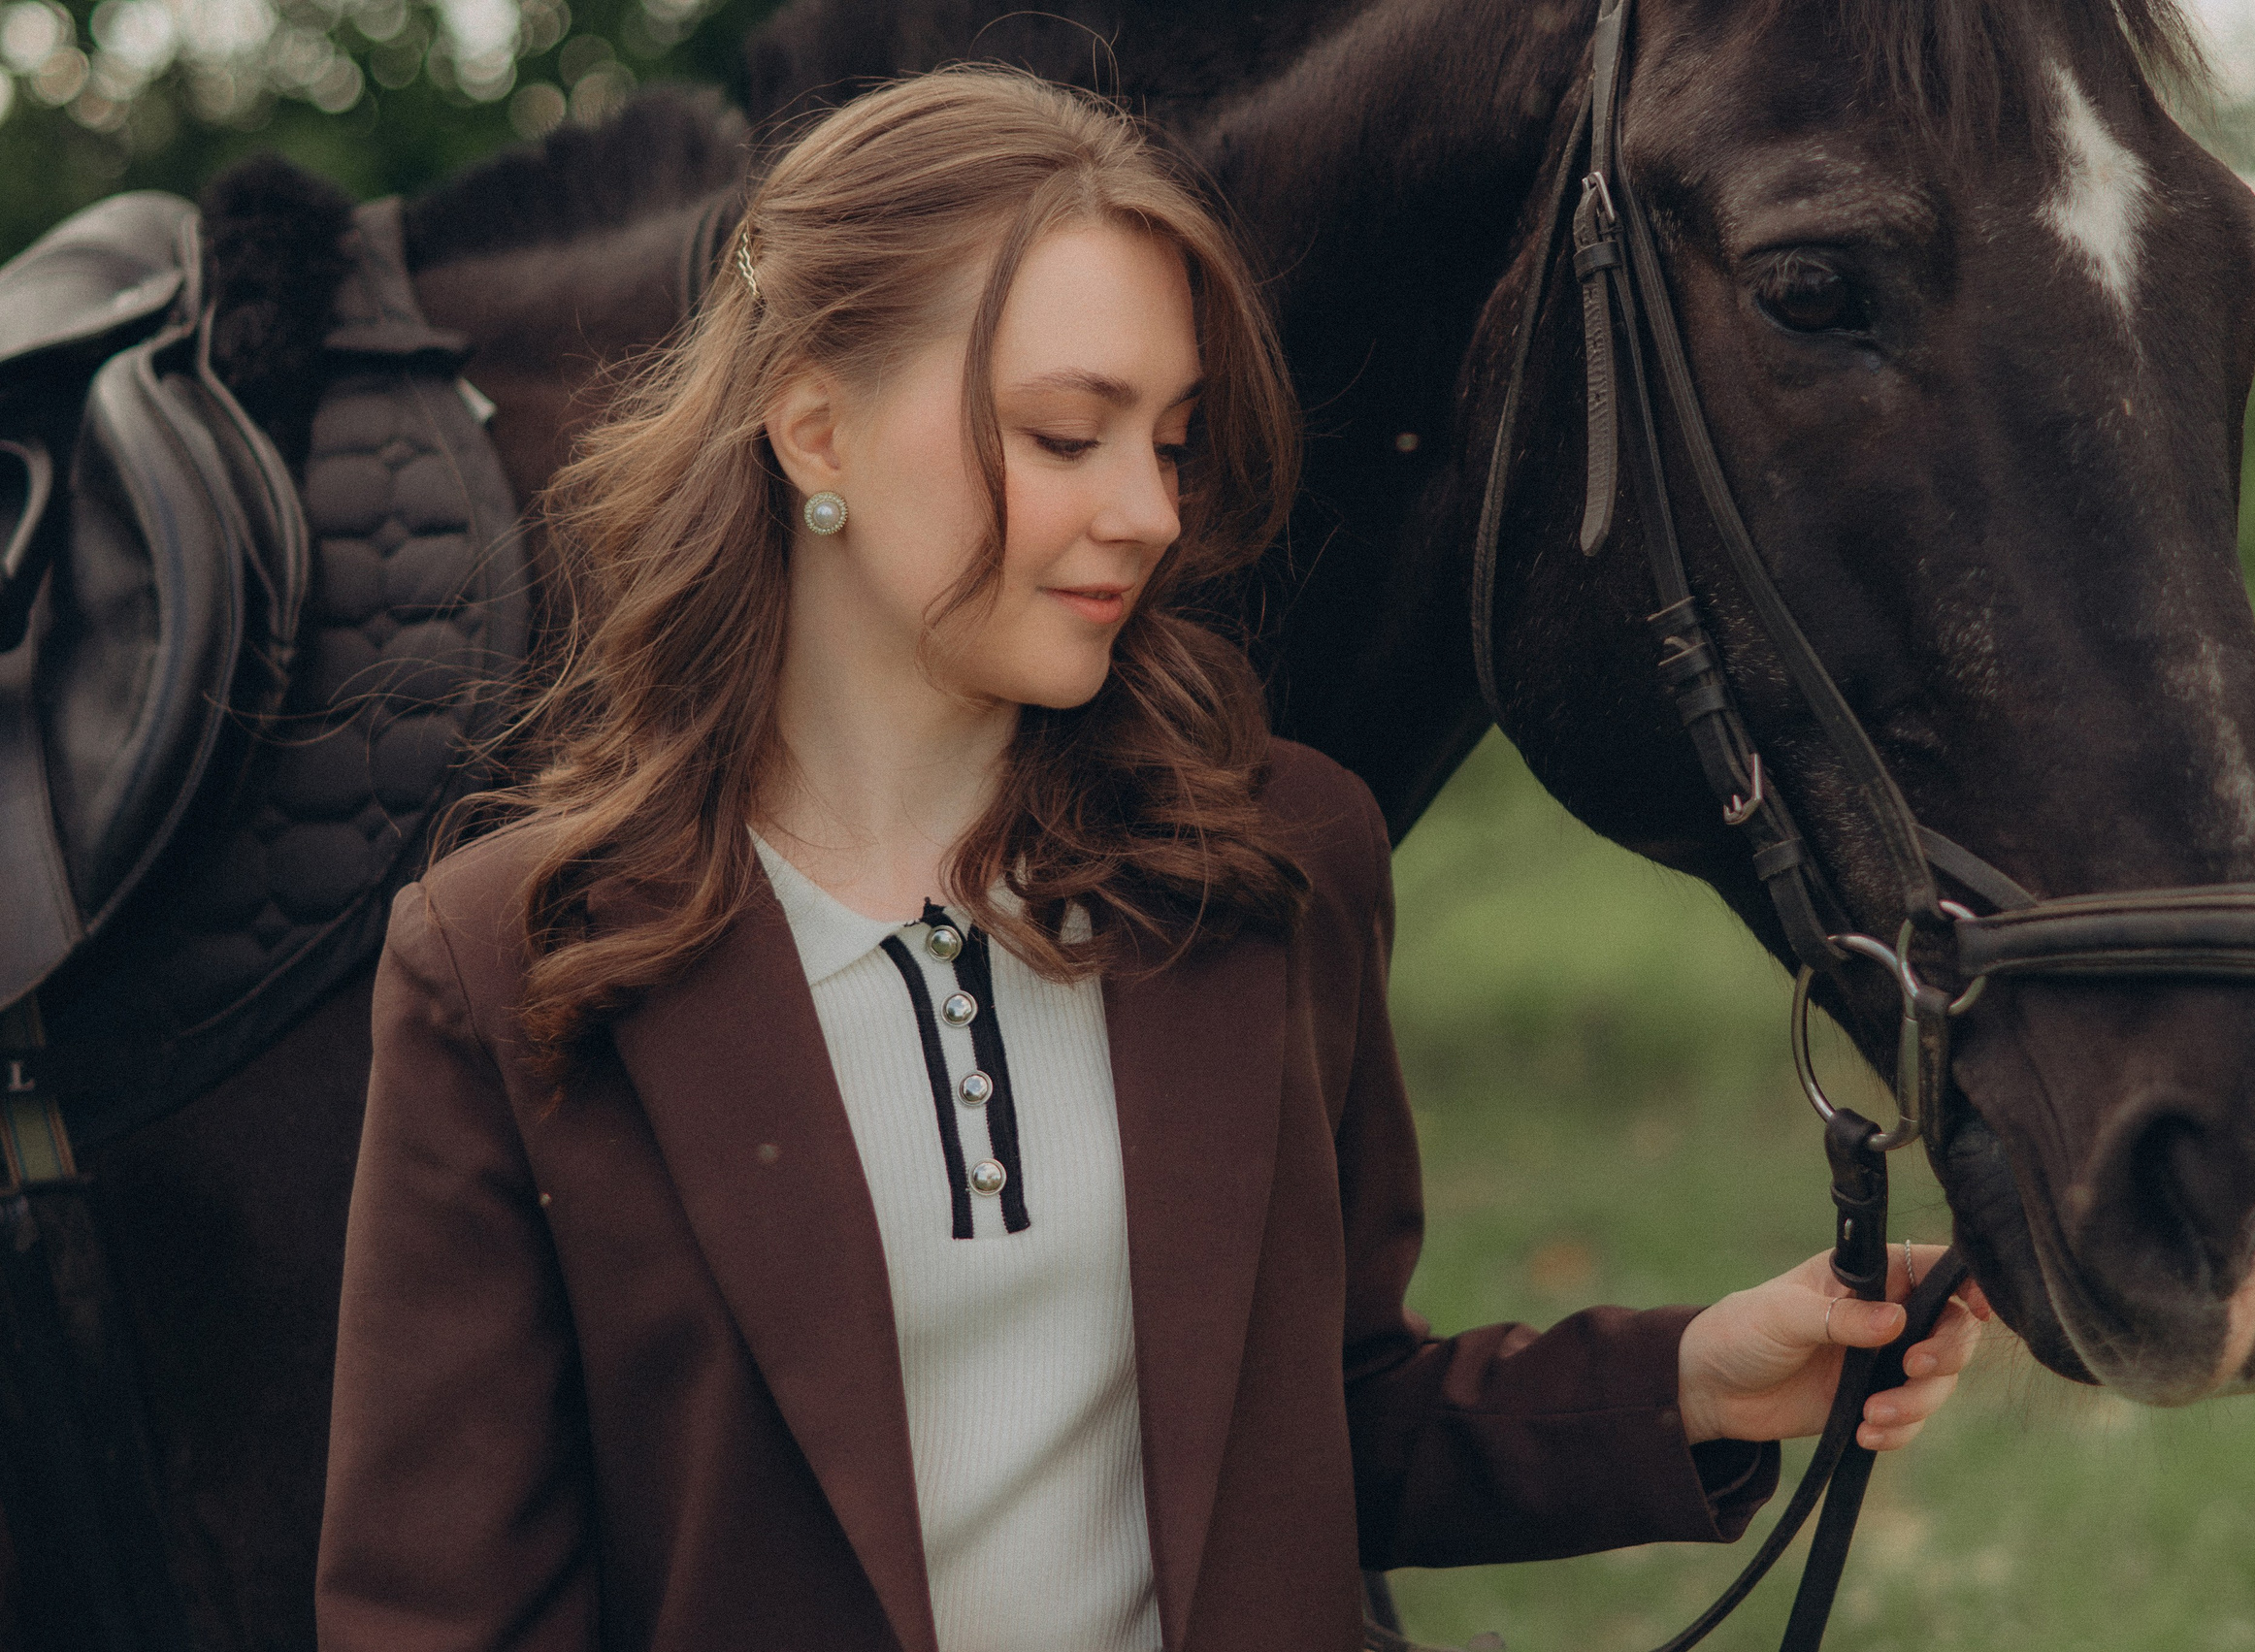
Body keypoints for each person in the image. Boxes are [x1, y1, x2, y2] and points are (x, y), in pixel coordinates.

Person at [314, 66, 1984, 1652]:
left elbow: (1324, 1423)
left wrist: (1695, 1376)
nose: (1148, 512)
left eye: (1170, 441)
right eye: (1066, 435)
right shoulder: (510, 963)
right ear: (813, 432)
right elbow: (441, 1611)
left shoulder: (1275, 866)